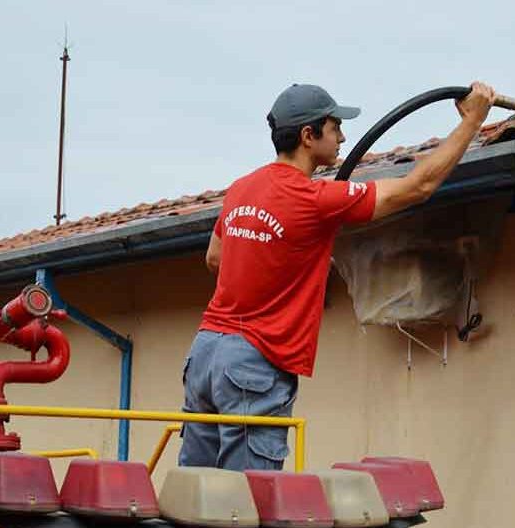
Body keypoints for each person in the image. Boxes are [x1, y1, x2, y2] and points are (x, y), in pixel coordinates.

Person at [178, 81, 497, 471]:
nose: (343, 136)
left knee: (195, 495)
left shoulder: (241, 189)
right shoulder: (315, 199)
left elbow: (215, 258)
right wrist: (473, 121)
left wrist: (285, 261)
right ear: (309, 136)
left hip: (206, 353)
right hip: (252, 364)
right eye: (334, 127)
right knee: (243, 506)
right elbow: (418, 186)